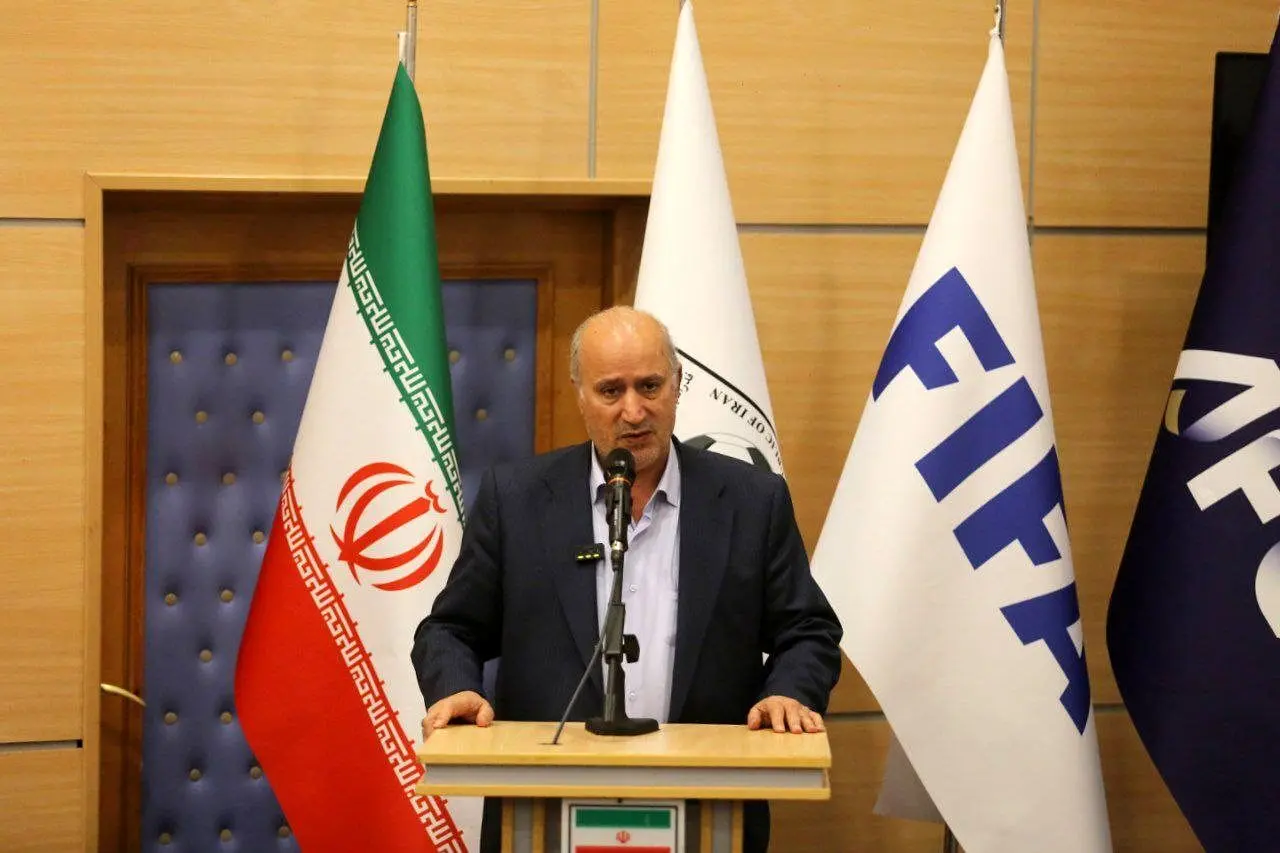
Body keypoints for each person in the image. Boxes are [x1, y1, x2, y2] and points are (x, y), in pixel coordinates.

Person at [411, 306, 843, 853]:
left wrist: (788, 692)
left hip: (708, 804)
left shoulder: (752, 500)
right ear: (581, 395)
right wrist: (458, 687)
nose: (634, 411)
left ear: (678, 385)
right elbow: (450, 628)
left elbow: (808, 630)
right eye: (611, 390)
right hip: (546, 806)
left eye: (650, 386)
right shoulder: (516, 499)